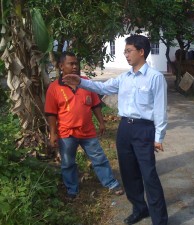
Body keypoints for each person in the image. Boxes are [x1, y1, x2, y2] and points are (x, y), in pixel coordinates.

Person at [62, 35, 168, 225]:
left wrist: (158, 136)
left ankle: (160, 220)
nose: (125, 55)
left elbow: (160, 109)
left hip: (144, 129)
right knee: (128, 173)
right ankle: (139, 208)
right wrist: (80, 82)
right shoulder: (124, 78)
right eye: (125, 51)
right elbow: (102, 87)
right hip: (125, 129)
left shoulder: (155, 77)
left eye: (129, 51)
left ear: (141, 52)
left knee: (148, 175)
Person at [44, 52, 123, 199]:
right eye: (71, 64)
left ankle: (111, 183)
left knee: (99, 158)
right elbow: (51, 113)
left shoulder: (85, 83)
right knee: (68, 163)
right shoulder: (54, 88)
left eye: (76, 63)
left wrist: (101, 122)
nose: (75, 66)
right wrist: (53, 133)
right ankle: (72, 191)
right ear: (61, 66)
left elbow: (95, 105)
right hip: (66, 133)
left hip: (87, 131)